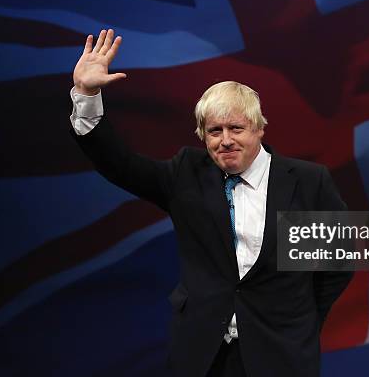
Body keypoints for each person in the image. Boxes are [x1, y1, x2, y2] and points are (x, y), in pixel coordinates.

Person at [69, 29, 353, 377]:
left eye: (236, 128)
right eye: (214, 131)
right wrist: (87, 93)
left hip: (280, 353)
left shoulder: (309, 181)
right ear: (202, 136)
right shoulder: (187, 173)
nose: (226, 140)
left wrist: (300, 320)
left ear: (259, 128)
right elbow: (120, 164)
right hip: (202, 354)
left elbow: (339, 261)